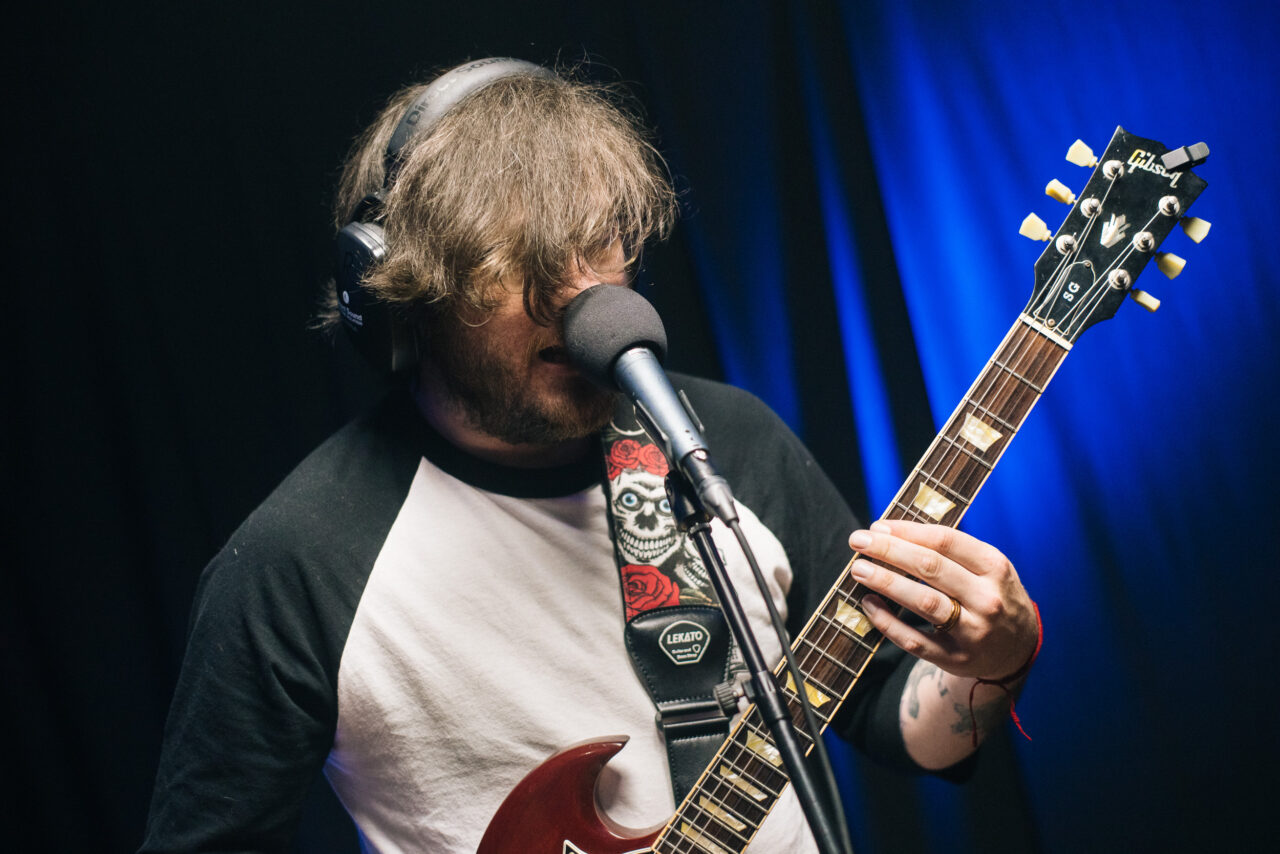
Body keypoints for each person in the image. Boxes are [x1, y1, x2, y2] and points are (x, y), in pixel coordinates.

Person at [140, 58, 1041, 853]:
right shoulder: (296, 565)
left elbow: (894, 721)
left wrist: (996, 660)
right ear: (405, 295)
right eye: (512, 262)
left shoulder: (724, 442)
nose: (579, 296)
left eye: (597, 241)